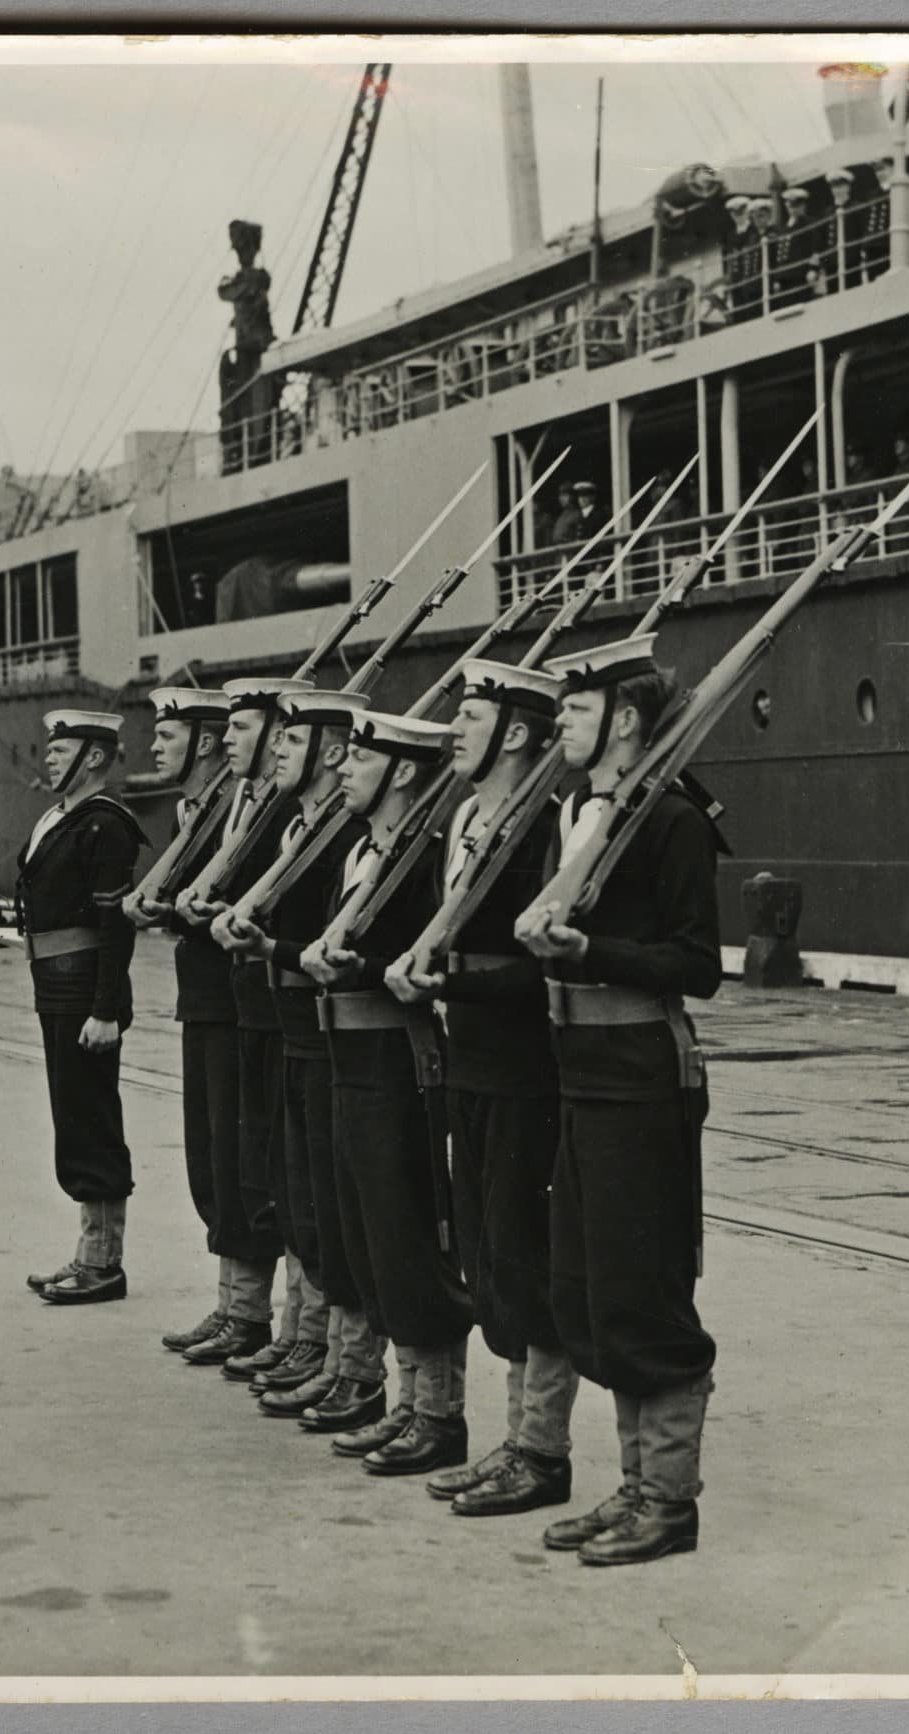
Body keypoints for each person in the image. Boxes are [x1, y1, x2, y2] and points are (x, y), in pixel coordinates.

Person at [516, 634, 722, 1567]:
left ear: (626, 719)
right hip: (577, 1066)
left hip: (642, 1066)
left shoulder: (671, 819)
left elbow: (696, 965)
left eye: (579, 705)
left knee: (644, 1289)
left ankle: (667, 1502)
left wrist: (590, 954)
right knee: (587, 1285)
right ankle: (633, 1483)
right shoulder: (572, 811)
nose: (561, 718)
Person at [387, 659, 579, 1516]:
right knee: (485, 1256)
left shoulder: (545, 826)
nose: (455, 733)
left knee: (523, 1255)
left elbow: (541, 973)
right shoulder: (466, 815)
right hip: (467, 1061)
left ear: (520, 735)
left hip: (525, 1069)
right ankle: (511, 1440)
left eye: (471, 718)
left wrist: (447, 985)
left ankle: (540, 1452)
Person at [305, 708, 477, 1474]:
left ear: (403, 771)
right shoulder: (360, 851)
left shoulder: (424, 856)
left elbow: (428, 964)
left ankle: (439, 1414)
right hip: (347, 1050)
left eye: (360, 759)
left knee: (408, 1235)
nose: (343, 769)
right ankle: (406, 1401)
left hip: (398, 1057)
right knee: (367, 1233)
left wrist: (363, 970)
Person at [0, 710, 146, 1304]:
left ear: (94, 756)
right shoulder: (58, 820)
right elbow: (47, 910)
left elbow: (115, 925)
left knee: (91, 1120)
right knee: (74, 1119)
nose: (50, 757)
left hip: (86, 994)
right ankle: (89, 1253)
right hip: (56, 990)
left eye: (62, 748)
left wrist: (107, 1009)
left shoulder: (106, 825)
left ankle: (104, 1264)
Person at [219, 688, 370, 1421]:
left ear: (333, 751)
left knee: (324, 1199)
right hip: (286, 1020)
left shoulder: (339, 835)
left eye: (293, 737)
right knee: (296, 1187)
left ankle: (331, 1350)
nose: (278, 747)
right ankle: (306, 1333)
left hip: (318, 1024)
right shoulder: (297, 825)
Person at [170, 675, 309, 1366]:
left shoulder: (287, 813)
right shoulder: (238, 802)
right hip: (229, 999)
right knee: (223, 1162)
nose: (227, 738)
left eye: (242, 727)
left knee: (261, 1168)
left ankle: (270, 1322)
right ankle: (239, 1306)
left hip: (263, 1008)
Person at [124, 688, 249, 1354]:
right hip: (201, 1001)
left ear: (201, 741)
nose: (153, 748)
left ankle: (248, 1312)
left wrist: (170, 910)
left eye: (165, 737)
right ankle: (234, 1305)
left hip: (234, 1007)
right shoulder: (194, 810)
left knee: (233, 1160)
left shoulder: (233, 810)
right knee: (208, 1161)